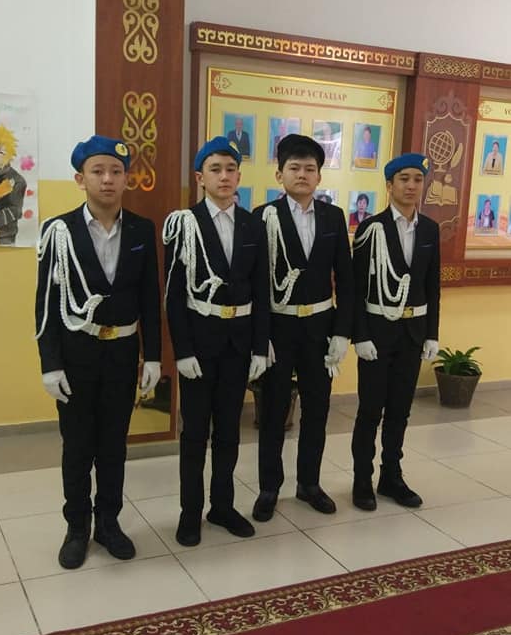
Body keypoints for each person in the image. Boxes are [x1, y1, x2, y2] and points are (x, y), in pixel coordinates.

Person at [35, 135, 161, 569]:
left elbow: (150, 298)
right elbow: (46, 304)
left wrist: (153, 355)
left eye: (116, 171)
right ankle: (77, 527)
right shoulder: (58, 231)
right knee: (77, 447)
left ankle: (108, 522)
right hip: (76, 356)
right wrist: (50, 364)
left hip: (122, 354)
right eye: (98, 171)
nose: (107, 179)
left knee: (113, 445)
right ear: (80, 179)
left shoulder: (142, 229)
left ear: (127, 179)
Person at [163, 135, 269, 547]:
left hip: (238, 344)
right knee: (194, 434)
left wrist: (260, 346)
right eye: (215, 170)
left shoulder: (253, 225)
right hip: (200, 343)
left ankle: (222, 506)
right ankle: (189, 513)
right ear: (199, 178)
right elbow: (173, 295)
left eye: (230, 170)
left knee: (229, 431)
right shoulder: (184, 224)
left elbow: (262, 290)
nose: (224, 177)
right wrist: (182, 351)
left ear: (239, 176)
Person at [252, 134, 354, 522]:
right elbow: (256, 283)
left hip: (319, 328)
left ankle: (309, 484)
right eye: (294, 168)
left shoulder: (333, 217)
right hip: (278, 327)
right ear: (279, 174)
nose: (302, 174)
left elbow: (345, 279)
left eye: (310, 168)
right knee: (273, 410)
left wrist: (342, 332)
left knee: (317, 409)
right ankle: (269, 487)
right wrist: (260, 338)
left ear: (319, 176)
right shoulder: (263, 216)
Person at [350, 152, 440, 511]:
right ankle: (362, 479)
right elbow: (355, 288)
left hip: (412, 333)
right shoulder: (371, 228)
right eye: (404, 179)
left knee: (400, 411)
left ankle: (391, 477)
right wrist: (360, 336)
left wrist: (432, 333)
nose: (411, 186)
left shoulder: (429, 229)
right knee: (370, 411)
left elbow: (432, 286)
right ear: (389, 185)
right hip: (377, 333)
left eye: (417, 179)